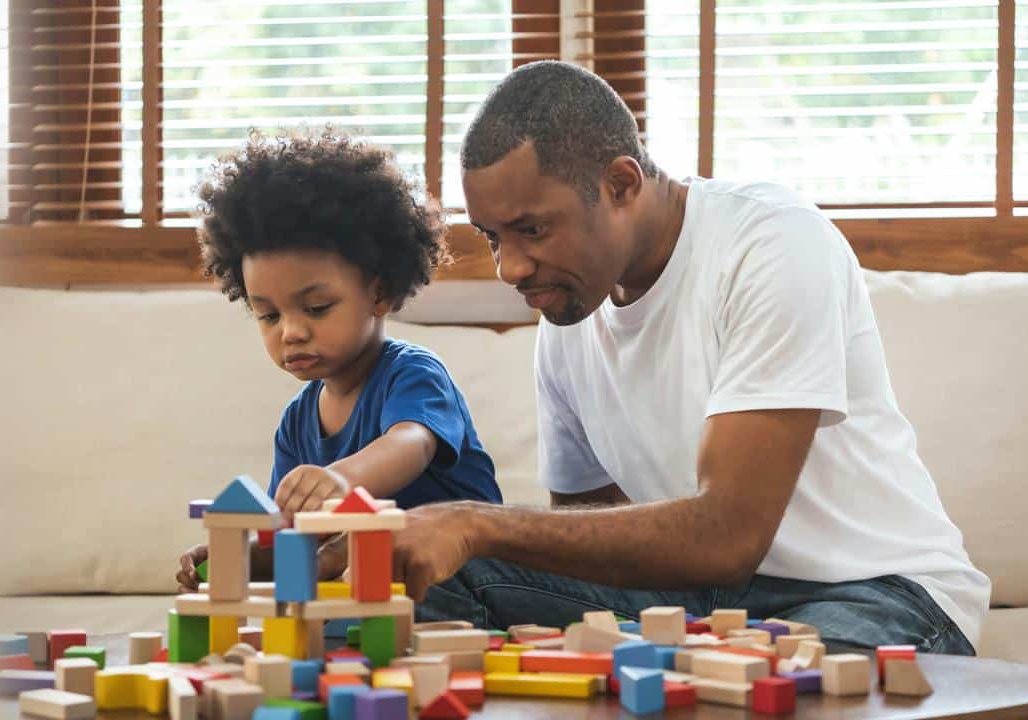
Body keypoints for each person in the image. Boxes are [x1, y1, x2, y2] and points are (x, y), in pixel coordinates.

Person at [382, 61, 990, 654]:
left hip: (871, 591)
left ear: (620, 184)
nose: (510, 268)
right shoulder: (569, 312)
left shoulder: (771, 242)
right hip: (698, 601)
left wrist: (475, 522)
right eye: (493, 237)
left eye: (532, 231)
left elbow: (730, 534)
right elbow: (586, 537)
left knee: (773, 692)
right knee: (433, 575)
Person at [175, 130, 502, 592]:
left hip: (467, 575)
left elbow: (411, 443)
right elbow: (291, 540)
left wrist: (338, 479)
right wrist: (238, 558)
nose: (291, 331)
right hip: (368, 588)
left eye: (316, 308)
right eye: (268, 314)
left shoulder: (412, 374)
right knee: (306, 602)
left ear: (379, 292)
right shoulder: (297, 424)